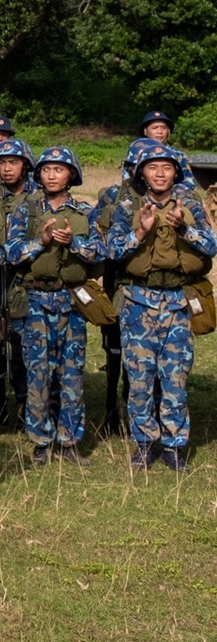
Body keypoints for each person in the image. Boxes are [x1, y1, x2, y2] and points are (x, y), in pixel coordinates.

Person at [103, 139, 215, 471]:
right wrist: (141, 232)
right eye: (153, 167)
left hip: (179, 302)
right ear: (142, 174)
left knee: (175, 378)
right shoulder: (128, 207)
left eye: (167, 168)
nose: (160, 173)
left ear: (176, 173)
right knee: (139, 379)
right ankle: (144, 443)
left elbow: (211, 245)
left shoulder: (191, 204)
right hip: (138, 303)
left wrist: (184, 228)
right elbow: (112, 251)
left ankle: (174, 445)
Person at [4, 147, 102, 464]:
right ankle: (42, 441)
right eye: (46, 169)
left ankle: (69, 441)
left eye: (59, 169)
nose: (51, 175)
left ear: (71, 174)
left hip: (71, 301)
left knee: (71, 374)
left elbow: (101, 254)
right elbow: (12, 253)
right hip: (35, 301)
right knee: (38, 374)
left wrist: (74, 243)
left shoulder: (85, 212)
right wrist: (42, 242)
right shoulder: (26, 211)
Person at [0, 138, 36, 430]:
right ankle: (1, 403)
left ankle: (24, 404)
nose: (7, 169)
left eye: (13, 163)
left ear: (25, 166)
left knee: (21, 349)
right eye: (2, 163)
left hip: (24, 283)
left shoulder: (36, 200)